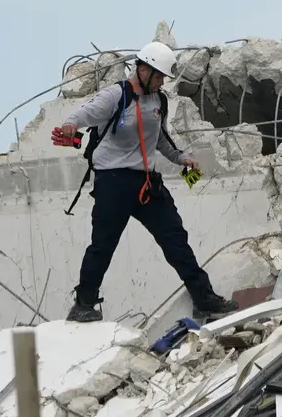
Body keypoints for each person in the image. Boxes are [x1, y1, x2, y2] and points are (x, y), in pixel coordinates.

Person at [58, 41, 238, 322]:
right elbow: (84, 114)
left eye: (163, 77)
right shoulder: (115, 96)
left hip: (146, 183)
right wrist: (70, 125)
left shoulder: (158, 101)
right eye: (158, 76)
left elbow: (159, 139)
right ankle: (83, 304)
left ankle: (204, 298)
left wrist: (181, 158)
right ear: (142, 70)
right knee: (102, 245)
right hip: (113, 181)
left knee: (175, 238)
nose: (161, 82)